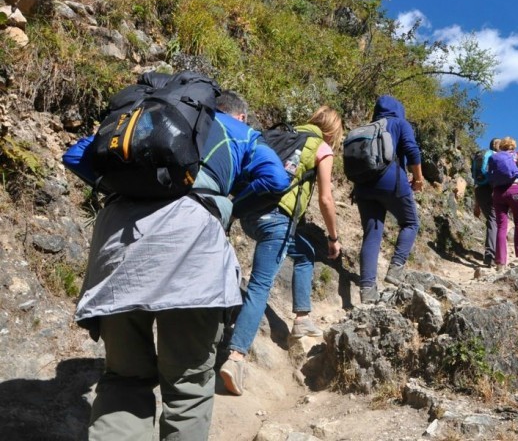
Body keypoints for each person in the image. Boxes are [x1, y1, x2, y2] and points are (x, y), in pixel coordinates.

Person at [63, 88, 289, 440]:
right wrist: (225, 206)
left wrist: (127, 192)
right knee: (188, 384)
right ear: (238, 114)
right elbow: (276, 179)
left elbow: (76, 155)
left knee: (124, 379)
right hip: (192, 247)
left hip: (117, 243)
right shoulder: (239, 131)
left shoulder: (139, 118)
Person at [220, 105, 344, 396]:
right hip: (278, 220)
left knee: (303, 253)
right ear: (333, 132)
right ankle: (236, 357)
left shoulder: (281, 135)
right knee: (261, 284)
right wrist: (333, 237)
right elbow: (326, 199)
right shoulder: (322, 148)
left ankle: (301, 319)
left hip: (249, 215)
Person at [352, 95, 425, 304]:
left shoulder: (366, 128)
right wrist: (418, 179)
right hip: (390, 179)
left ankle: (367, 289)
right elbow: (412, 150)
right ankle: (396, 268)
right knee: (410, 222)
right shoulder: (400, 123)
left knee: (372, 234)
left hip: (362, 187)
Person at [492, 136, 518, 271]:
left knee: (501, 226)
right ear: (513, 146)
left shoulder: (494, 157)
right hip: (515, 189)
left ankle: (500, 264)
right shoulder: (517, 155)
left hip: (498, 192)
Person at [472, 138, 501, 267]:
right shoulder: (496, 157)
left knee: (491, 220)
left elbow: (475, 183)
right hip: (491, 189)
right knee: (493, 220)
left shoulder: (482, 156)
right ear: (497, 146)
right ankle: (491, 255)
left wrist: (477, 205)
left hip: (480, 191)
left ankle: (492, 253)